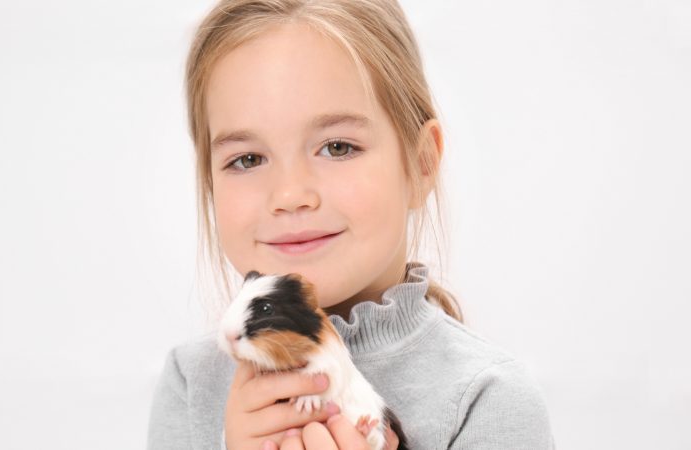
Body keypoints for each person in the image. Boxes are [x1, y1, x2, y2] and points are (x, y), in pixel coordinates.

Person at [148, 0, 555, 448]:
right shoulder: (191, 382)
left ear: (421, 164)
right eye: (247, 159)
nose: (290, 195)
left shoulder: (487, 399)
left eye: (337, 147)